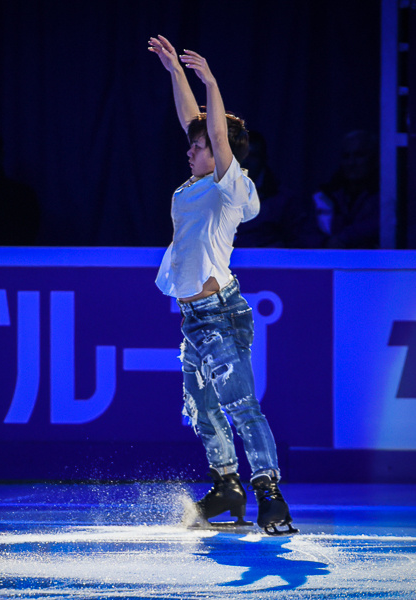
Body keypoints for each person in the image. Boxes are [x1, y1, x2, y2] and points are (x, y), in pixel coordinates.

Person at [148, 35, 297, 535]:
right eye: (191, 146)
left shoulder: (229, 186)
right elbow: (196, 124)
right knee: (201, 402)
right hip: (194, 317)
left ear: (223, 153)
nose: (189, 149)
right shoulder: (196, 183)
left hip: (219, 313)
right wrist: (176, 73)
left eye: (200, 147)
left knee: (238, 403)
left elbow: (213, 129)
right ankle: (227, 485)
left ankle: (270, 496)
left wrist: (210, 80)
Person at [291, 130, 380, 249]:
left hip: (371, 263)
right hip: (329, 262)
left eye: (359, 155)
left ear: (374, 158)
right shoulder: (324, 195)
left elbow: (379, 225)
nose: (351, 163)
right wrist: (325, 242)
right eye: (346, 156)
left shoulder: (386, 194)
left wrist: (345, 238)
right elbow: (304, 235)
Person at [233, 130, 299, 248]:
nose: (246, 161)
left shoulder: (282, 199)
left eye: (252, 156)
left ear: (264, 158)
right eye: (242, 155)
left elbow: (296, 243)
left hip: (268, 263)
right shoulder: (217, 193)